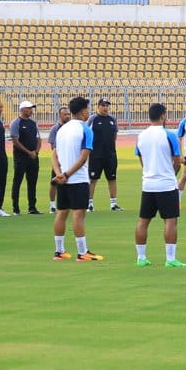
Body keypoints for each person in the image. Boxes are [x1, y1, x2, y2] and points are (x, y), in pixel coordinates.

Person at [136, 103, 186, 268]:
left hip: (148, 184)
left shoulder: (141, 135)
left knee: (143, 221)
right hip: (166, 184)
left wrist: (149, 171)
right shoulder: (169, 135)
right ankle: (170, 259)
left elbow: (141, 158)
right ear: (163, 115)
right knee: (170, 221)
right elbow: (178, 161)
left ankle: (141, 257)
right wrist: (170, 174)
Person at [50, 96, 98, 262]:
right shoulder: (85, 129)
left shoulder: (62, 129)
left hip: (63, 179)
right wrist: (68, 174)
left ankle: (59, 251)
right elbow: (83, 158)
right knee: (78, 215)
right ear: (84, 110)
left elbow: (54, 156)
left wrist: (59, 174)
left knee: (61, 213)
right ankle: (82, 252)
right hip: (76, 179)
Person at [87, 98, 121, 211]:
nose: (105, 107)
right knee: (93, 179)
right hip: (96, 154)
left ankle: (113, 204)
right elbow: (87, 135)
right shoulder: (93, 119)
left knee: (112, 178)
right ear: (98, 106)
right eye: (103, 105)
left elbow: (114, 135)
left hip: (110, 154)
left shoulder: (112, 119)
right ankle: (89, 204)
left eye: (107, 105)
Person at [9, 101, 42, 215]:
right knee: (17, 181)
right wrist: (29, 152)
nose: (31, 110)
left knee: (32, 182)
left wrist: (36, 152)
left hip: (33, 157)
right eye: (28, 108)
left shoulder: (33, 123)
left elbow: (38, 139)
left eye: (31, 108)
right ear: (22, 109)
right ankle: (16, 208)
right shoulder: (16, 123)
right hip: (20, 157)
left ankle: (32, 207)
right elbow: (15, 141)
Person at [46, 106, 70, 212]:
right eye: (65, 114)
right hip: (59, 160)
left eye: (68, 114)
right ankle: (52, 205)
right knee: (54, 182)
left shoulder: (72, 128)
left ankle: (69, 203)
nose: (67, 116)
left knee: (70, 182)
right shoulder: (55, 129)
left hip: (70, 159)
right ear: (60, 116)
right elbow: (52, 146)